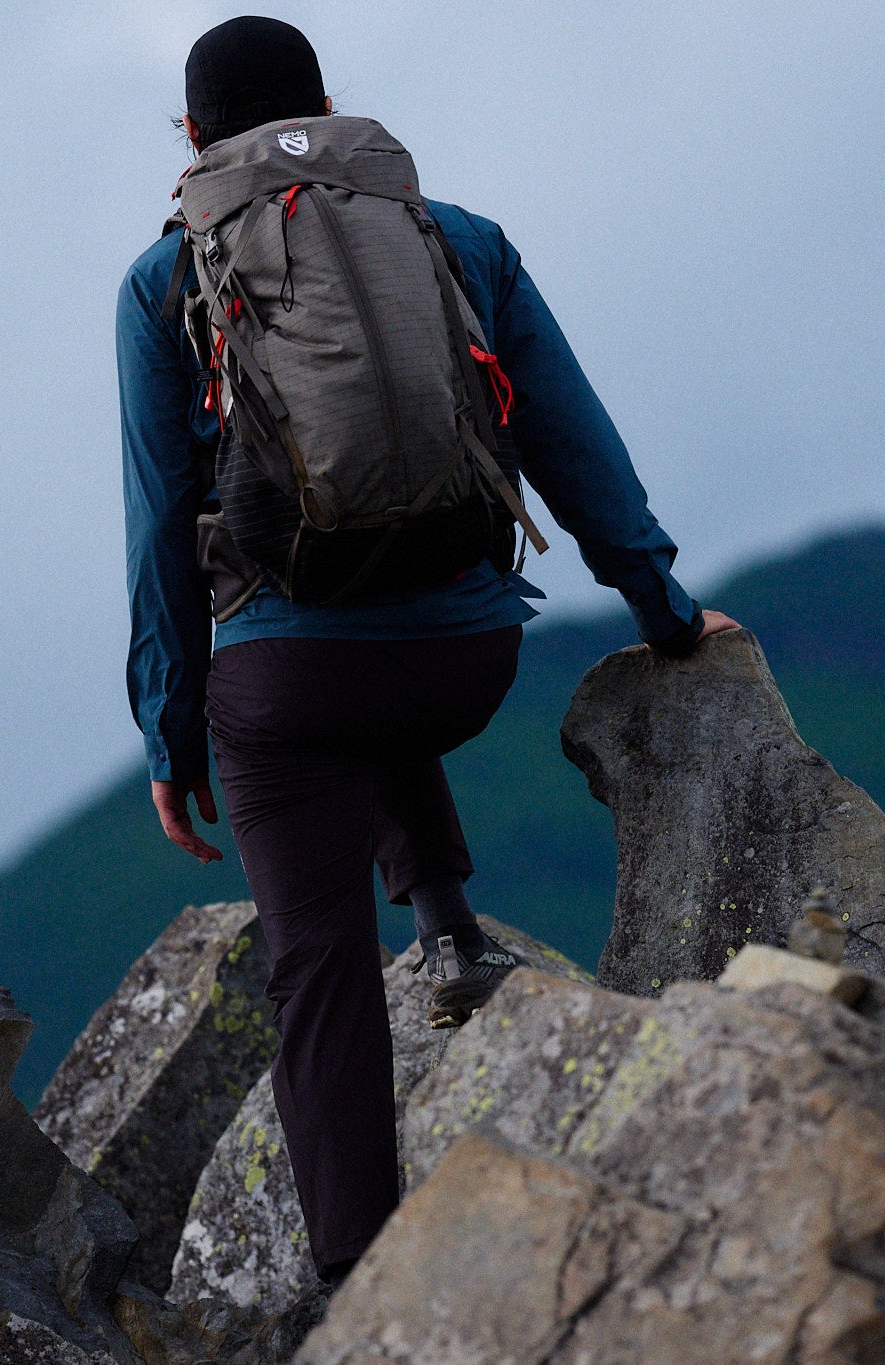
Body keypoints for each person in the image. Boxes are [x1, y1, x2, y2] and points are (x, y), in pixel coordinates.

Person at [117, 15, 736, 1285]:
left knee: (318, 969)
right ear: (325, 107)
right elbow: (571, 442)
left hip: (291, 694)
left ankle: (361, 1288)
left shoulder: (161, 279)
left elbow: (156, 525)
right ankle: (451, 923)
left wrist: (170, 735)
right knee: (372, 671)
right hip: (464, 661)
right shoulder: (455, 236)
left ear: (190, 137)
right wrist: (665, 612)